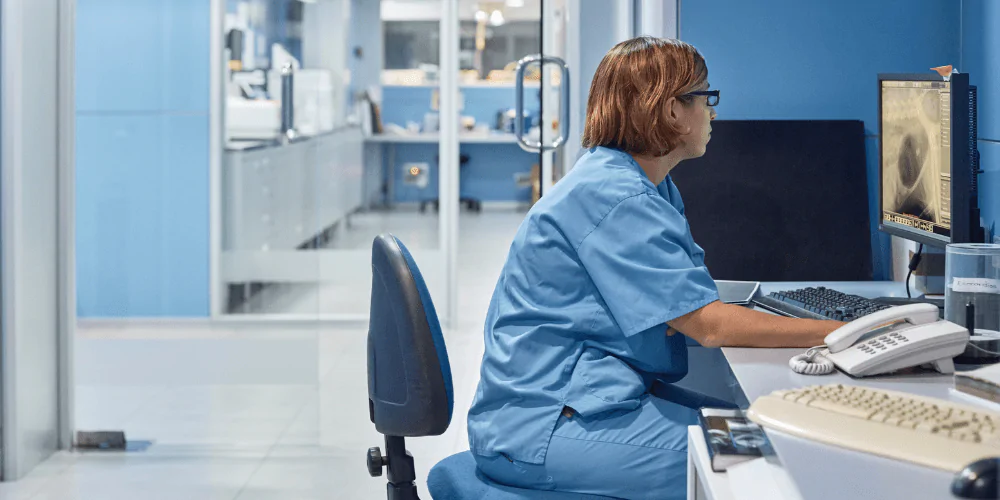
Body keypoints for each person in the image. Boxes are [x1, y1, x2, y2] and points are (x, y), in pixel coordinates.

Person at [466, 36, 845, 499]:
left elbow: (688, 300)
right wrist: (842, 332)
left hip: (585, 401)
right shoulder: (617, 197)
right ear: (671, 111)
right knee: (776, 464)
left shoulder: (643, 185)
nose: (714, 113)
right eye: (706, 98)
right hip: (541, 428)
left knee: (776, 435)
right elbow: (705, 324)